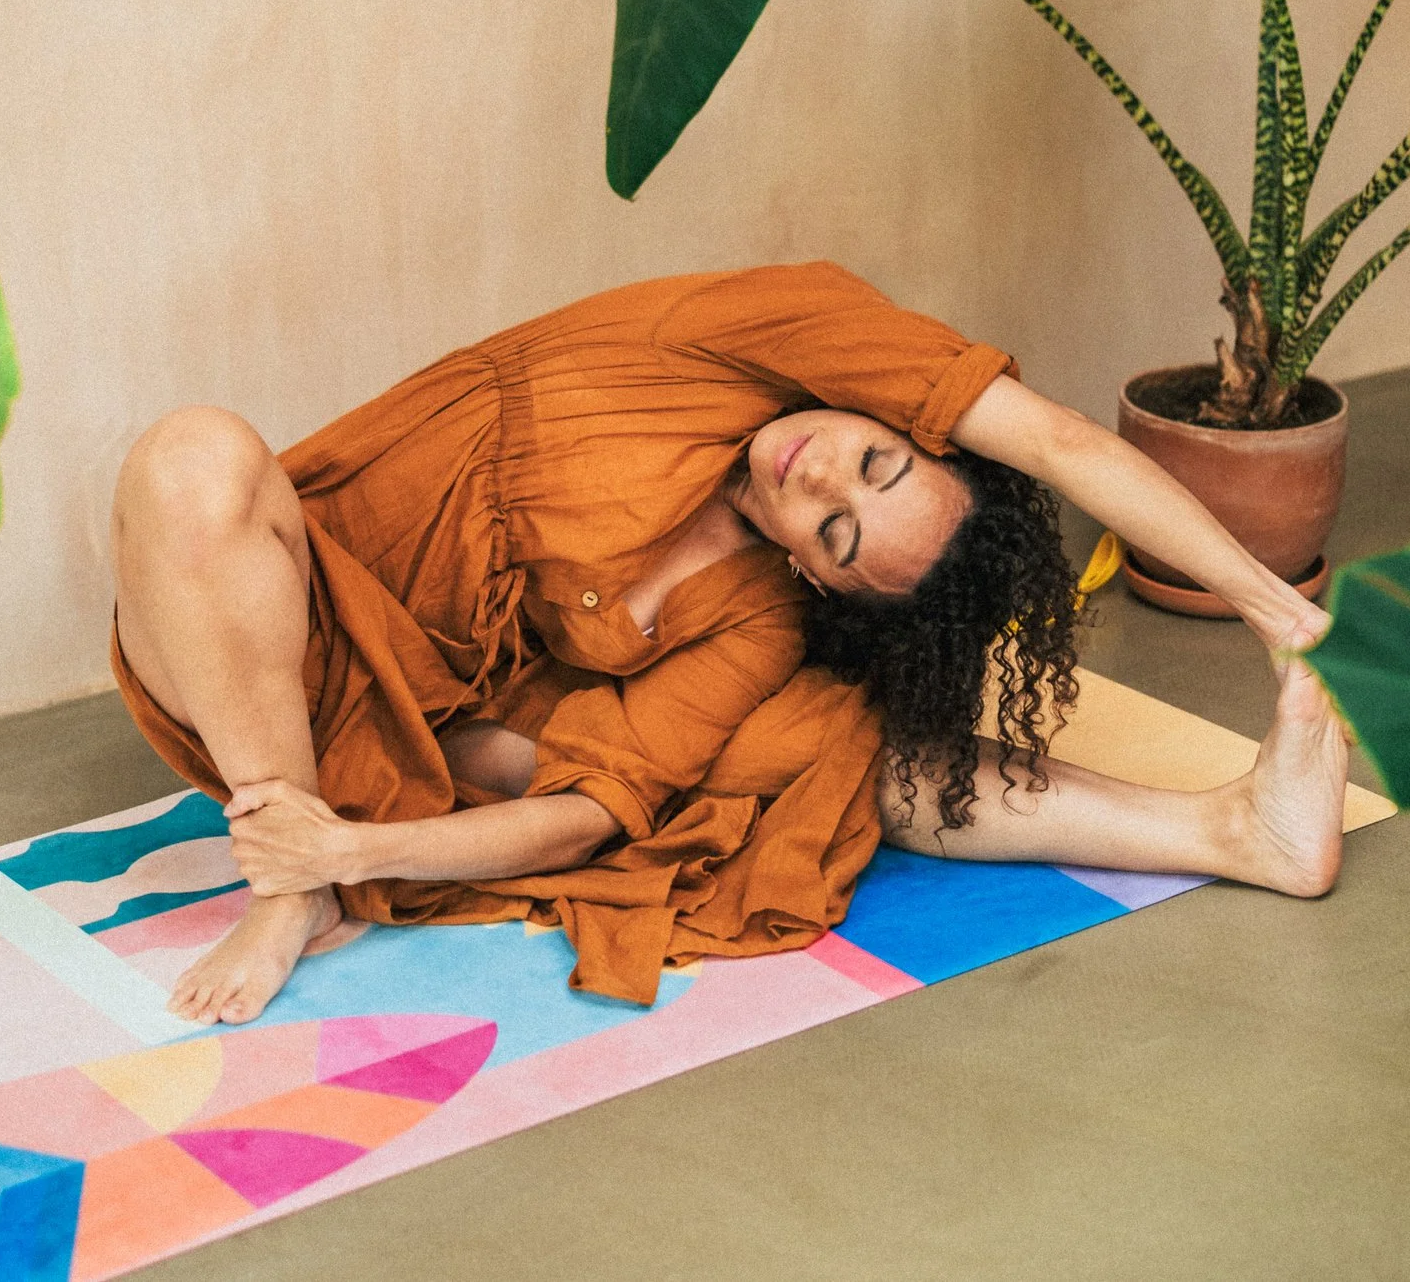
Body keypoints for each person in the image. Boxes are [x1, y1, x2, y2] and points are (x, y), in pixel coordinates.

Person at [109, 262, 1347, 1026]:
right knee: (192, 455)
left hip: (431, 735)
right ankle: (290, 878)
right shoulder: (774, 329)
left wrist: (365, 839)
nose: (821, 474)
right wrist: (1270, 604)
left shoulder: (760, 607)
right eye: (873, 456)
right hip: (267, 655)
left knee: (807, 745)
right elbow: (1063, 446)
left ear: (819, 569)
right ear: (898, 415)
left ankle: (1232, 831)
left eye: (842, 529)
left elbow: (590, 811)